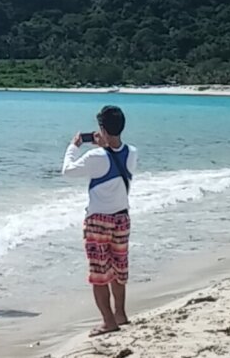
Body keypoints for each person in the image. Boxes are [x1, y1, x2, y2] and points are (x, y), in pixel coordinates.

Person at [62, 105, 137, 337]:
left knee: (99, 273)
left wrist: (74, 146)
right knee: (119, 268)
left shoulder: (95, 156)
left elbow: (67, 171)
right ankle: (121, 314)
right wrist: (104, 146)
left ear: (102, 128)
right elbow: (113, 158)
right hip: (122, 217)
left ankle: (108, 321)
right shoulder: (132, 152)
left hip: (98, 221)